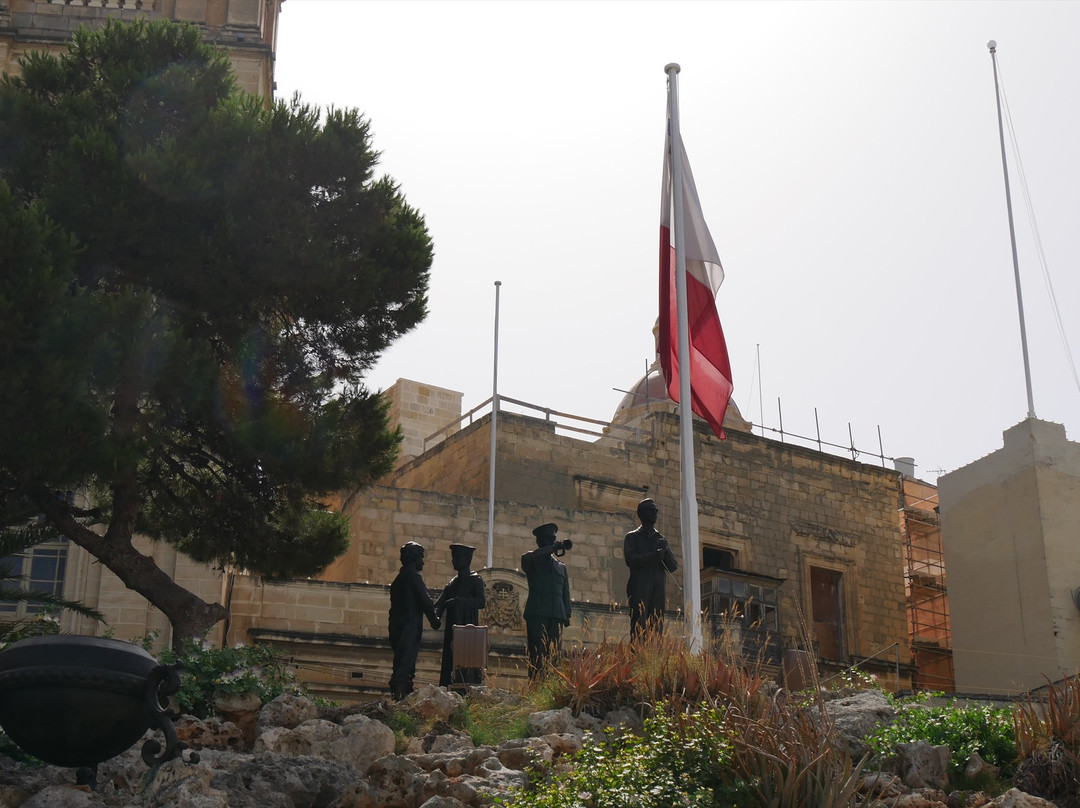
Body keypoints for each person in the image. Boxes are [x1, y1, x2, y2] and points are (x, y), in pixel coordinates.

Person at [387, 541, 440, 700]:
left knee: (399, 660)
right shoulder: (414, 577)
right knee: (407, 662)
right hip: (409, 625)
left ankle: (397, 693)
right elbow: (426, 601)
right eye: (421, 558)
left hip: (395, 625)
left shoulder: (398, 580)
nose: (423, 562)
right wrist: (434, 620)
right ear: (414, 558)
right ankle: (402, 695)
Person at [520, 522, 571, 678]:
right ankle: (536, 683)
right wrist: (551, 548)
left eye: (553, 539)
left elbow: (565, 591)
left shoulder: (560, 567)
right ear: (539, 541)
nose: (551, 542)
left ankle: (551, 685)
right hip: (538, 612)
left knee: (554, 654)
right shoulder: (530, 559)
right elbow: (531, 558)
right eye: (548, 539)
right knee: (536, 653)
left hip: (556, 614)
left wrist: (567, 614)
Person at [623, 498, 677, 639]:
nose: (655, 513)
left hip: (658, 587)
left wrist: (667, 551)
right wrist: (653, 556)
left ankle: (655, 650)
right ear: (642, 513)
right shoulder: (632, 537)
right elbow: (630, 560)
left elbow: (673, 567)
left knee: (657, 622)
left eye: (656, 511)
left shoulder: (661, 539)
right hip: (639, 585)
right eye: (651, 510)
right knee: (638, 621)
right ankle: (638, 650)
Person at [434, 543, 486, 687]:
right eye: (453, 557)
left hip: (467, 628)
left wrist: (459, 601)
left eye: (457, 557)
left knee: (466, 661)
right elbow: (439, 604)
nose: (453, 560)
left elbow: (481, 602)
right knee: (450, 659)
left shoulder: (476, 580)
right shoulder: (452, 583)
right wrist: (436, 616)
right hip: (452, 629)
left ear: (467, 559)